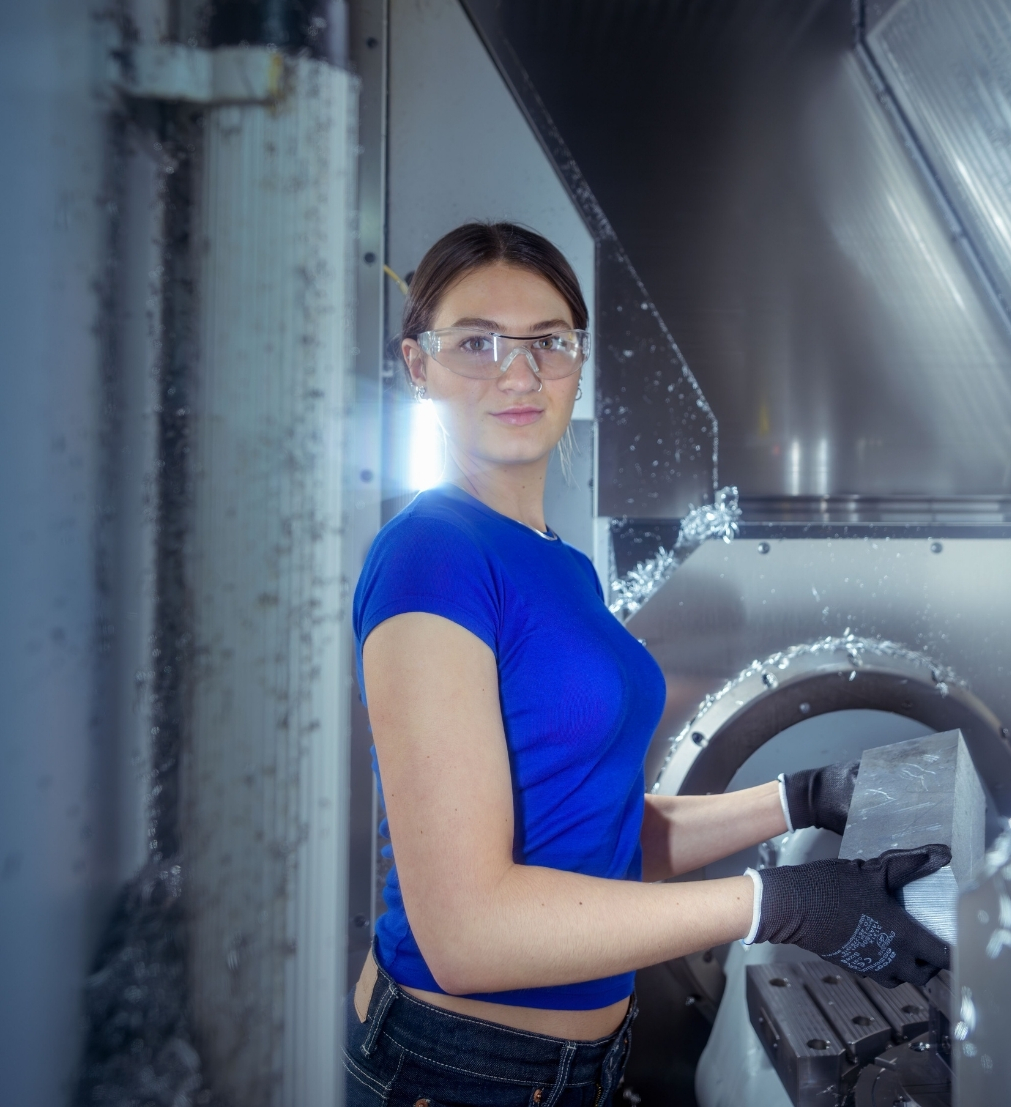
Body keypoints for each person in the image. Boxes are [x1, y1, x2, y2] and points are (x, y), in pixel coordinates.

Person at [346, 222, 949, 1107]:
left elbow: (594, 833)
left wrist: (797, 798)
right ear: (416, 365)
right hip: (462, 1071)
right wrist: (778, 901)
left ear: (578, 360)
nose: (519, 373)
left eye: (548, 341)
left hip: (575, 1070)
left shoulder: (557, 561)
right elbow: (465, 933)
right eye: (476, 343)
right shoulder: (430, 554)